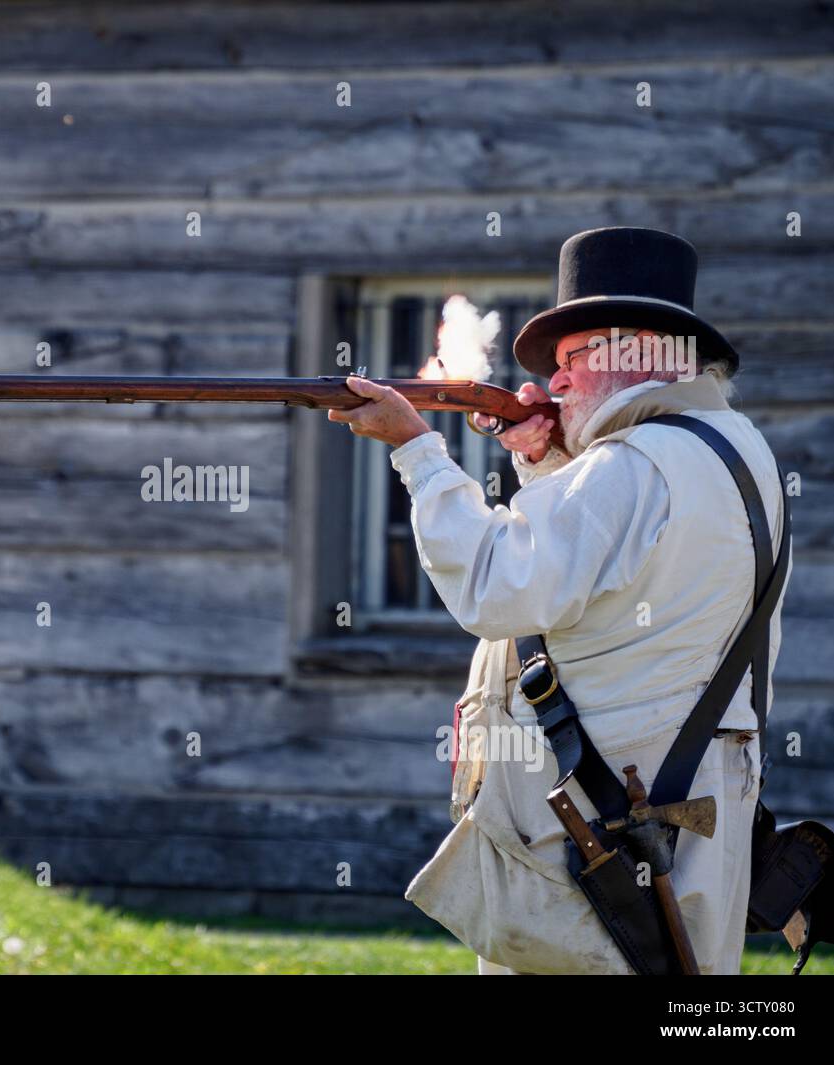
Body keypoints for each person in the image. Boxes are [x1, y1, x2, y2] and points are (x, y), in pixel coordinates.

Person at [327, 227, 788, 974]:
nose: (557, 381)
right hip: (676, 818)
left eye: (571, 359)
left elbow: (496, 588)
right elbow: (609, 578)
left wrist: (417, 453)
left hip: (596, 840)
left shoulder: (628, 467)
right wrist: (550, 461)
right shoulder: (730, 448)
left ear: (634, 350)